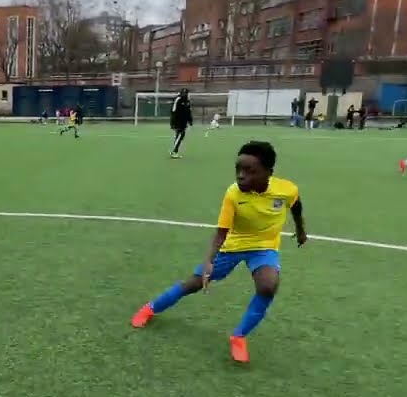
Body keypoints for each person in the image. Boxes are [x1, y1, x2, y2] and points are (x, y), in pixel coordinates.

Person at [130, 140, 308, 364]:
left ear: (268, 173)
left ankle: (239, 336)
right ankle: (150, 308)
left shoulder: (287, 190)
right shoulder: (233, 194)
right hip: (231, 246)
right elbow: (221, 232)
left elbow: (296, 206)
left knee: (268, 286)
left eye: (249, 171)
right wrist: (208, 262)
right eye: (238, 170)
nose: (241, 176)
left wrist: (301, 230)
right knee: (193, 283)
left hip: (264, 247)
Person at [169, 89, 192, 158]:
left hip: (184, 122)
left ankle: (175, 151)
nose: (185, 94)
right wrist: (172, 122)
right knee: (181, 135)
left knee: (179, 135)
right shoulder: (178, 99)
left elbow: (188, 112)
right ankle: (174, 151)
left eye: (186, 93)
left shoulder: (187, 101)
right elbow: (173, 111)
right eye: (183, 93)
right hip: (177, 121)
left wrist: (190, 121)